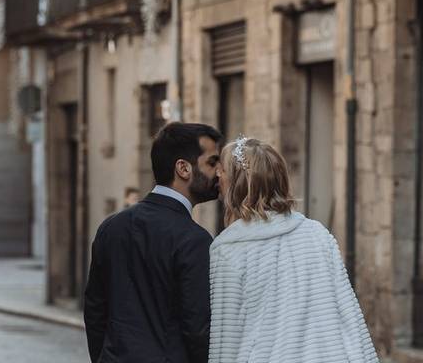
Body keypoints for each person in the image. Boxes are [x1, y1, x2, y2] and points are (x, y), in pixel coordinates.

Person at [209, 136, 379, 363]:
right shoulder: (318, 234)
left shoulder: (228, 250)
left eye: (222, 175)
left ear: (235, 186)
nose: (218, 181)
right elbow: (349, 314)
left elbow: (226, 339)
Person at [84, 122, 223, 363]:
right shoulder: (194, 240)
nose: (219, 172)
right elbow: (198, 329)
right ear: (183, 168)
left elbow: (95, 311)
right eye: (212, 162)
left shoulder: (111, 227)